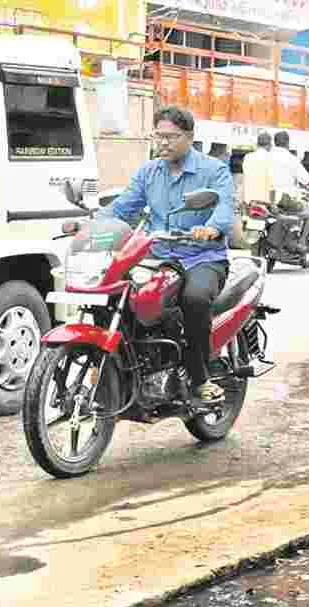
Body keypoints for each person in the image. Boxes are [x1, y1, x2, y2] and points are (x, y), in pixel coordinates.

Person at [100, 106, 234, 403]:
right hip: (159, 257)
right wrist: (92, 222)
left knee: (194, 299)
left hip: (202, 257)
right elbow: (123, 208)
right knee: (119, 294)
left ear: (189, 136)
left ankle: (201, 377)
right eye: (158, 136)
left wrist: (210, 228)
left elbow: (224, 209)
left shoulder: (213, 170)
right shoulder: (149, 172)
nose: (162, 143)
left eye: (170, 137)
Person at [269, 131, 309, 253]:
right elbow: (306, 179)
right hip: (283, 199)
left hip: (266, 197)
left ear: (275, 142)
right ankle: (301, 242)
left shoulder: (267, 156)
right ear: (287, 143)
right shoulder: (291, 159)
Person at [241, 132, 274, 206]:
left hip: (248, 202)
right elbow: (272, 185)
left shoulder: (247, 157)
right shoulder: (271, 158)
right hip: (264, 204)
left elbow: (244, 179)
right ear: (270, 145)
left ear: (257, 144)